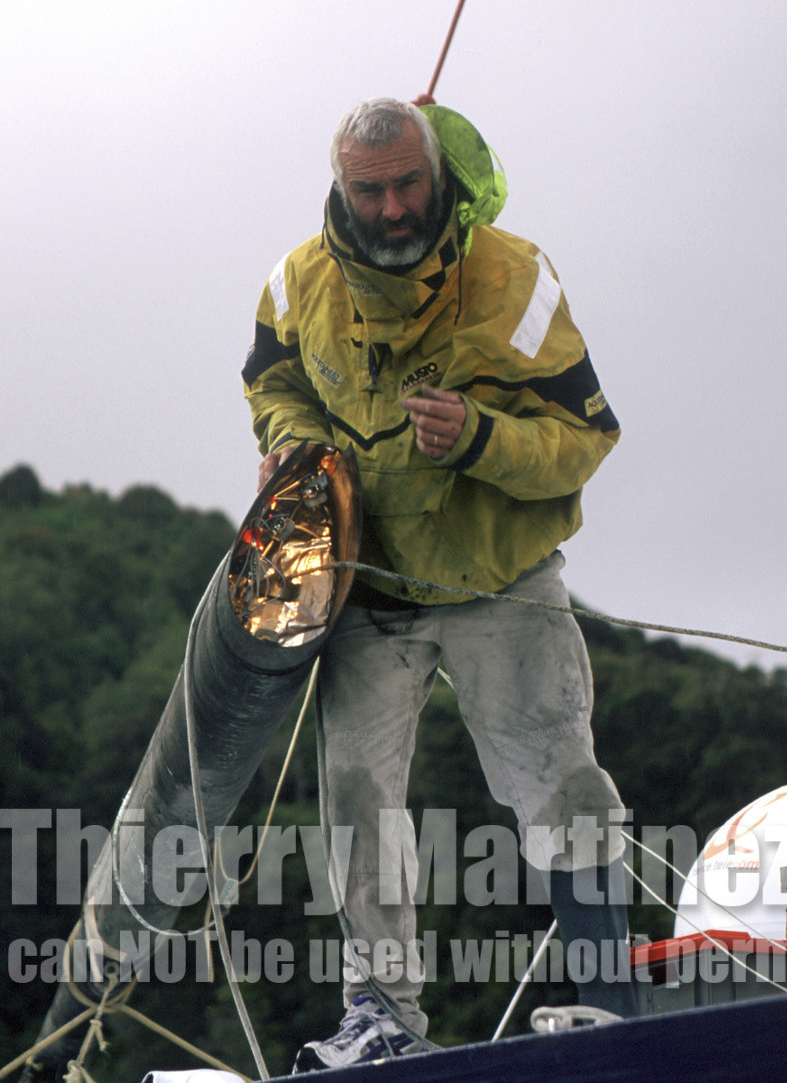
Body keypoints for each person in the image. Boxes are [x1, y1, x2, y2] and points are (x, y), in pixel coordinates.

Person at [241, 98, 633, 1072]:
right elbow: (273, 380)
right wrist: (293, 444)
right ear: (340, 187)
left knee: (562, 775)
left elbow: (584, 438)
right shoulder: (297, 281)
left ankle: (611, 1003)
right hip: (366, 585)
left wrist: (481, 437)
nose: (390, 208)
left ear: (439, 174)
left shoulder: (516, 277)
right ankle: (379, 1015)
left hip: (499, 576)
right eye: (368, 190)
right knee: (353, 795)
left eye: (407, 184)